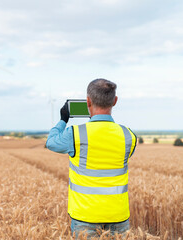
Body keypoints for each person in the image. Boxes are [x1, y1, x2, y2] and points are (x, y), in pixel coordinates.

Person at [46, 79, 137, 238]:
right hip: (118, 215)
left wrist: (63, 120)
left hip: (85, 216)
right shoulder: (128, 135)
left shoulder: (75, 134)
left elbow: (51, 143)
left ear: (88, 101)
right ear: (115, 101)